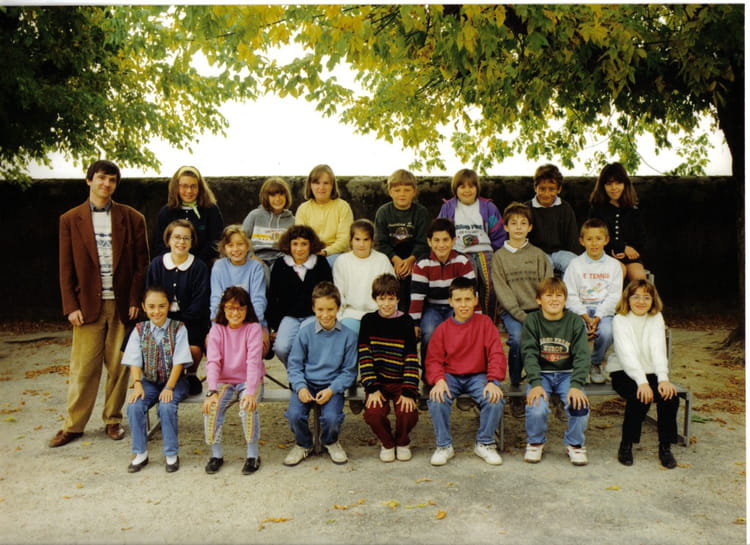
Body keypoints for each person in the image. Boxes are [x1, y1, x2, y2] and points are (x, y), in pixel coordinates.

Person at [52, 160, 150, 448]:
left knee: (120, 367)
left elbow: (141, 265)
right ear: (89, 180)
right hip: (87, 306)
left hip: (121, 304)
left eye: (112, 180)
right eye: (101, 178)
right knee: (83, 368)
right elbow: (65, 267)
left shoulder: (132, 218)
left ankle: (113, 420)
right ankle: (73, 425)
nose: (106, 184)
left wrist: (135, 299)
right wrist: (71, 306)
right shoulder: (70, 219)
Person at [425, 277, 506, 466]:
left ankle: (485, 442)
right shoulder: (443, 329)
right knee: (437, 398)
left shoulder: (485, 323)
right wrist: (439, 380)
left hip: (478, 375)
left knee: (494, 399)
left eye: (468, 299)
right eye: (458, 300)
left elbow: (496, 353)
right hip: (450, 376)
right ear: (451, 302)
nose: (463, 305)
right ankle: (444, 445)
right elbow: (433, 360)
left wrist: (493, 381)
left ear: (475, 300)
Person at [283, 282, 358, 466]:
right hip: (307, 383)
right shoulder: (305, 333)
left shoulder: (348, 336)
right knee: (294, 415)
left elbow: (349, 371)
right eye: (320, 309)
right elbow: (294, 365)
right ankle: (303, 443)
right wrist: (300, 387)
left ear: (338, 308)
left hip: (332, 385)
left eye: (330, 309)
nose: (325, 315)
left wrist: (333, 389)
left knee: (332, 418)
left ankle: (330, 441)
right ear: (313, 309)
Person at [491, 202, 552, 417]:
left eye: (523, 223)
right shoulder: (499, 257)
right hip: (513, 312)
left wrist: (544, 312)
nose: (518, 227)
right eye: (514, 223)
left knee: (549, 339)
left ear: (530, 227)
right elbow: (502, 290)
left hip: (539, 310)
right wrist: (520, 316)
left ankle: (546, 388)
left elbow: (547, 286)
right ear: (506, 227)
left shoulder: (538, 255)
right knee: (517, 340)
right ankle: (516, 388)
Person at [609, 279, 679, 469]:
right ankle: (626, 444)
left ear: (653, 300)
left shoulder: (656, 317)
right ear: (627, 299)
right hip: (623, 371)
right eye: (636, 297)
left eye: (646, 297)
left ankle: (665, 447)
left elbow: (658, 350)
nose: (641, 301)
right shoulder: (620, 319)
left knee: (670, 397)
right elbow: (627, 354)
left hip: (651, 371)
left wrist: (663, 379)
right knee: (640, 397)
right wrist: (642, 382)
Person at [521, 277, 591, 466]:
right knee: (537, 408)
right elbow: (529, 354)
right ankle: (535, 442)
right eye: (548, 295)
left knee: (579, 406)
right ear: (538, 299)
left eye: (559, 295)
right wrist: (535, 383)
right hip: (541, 374)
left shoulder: (574, 321)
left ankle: (574, 444)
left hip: (567, 374)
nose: (554, 300)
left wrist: (576, 385)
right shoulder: (532, 321)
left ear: (565, 299)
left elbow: (582, 356)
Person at [122, 286, 191, 473]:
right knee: (134, 405)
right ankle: (140, 453)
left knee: (166, 406)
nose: (156, 311)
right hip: (150, 381)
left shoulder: (179, 328)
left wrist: (169, 387)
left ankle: (171, 454)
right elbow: (134, 360)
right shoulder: (139, 329)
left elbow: (179, 362)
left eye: (162, 306)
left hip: (175, 382)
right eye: (151, 307)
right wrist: (137, 384)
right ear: (144, 307)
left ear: (169, 306)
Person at [203, 286, 266, 475]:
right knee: (212, 407)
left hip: (249, 380)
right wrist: (212, 391)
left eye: (240, 308)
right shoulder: (217, 329)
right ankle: (216, 455)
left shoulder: (253, 329)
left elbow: (253, 362)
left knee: (247, 407)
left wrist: (250, 392)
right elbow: (213, 361)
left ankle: (253, 456)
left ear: (247, 309)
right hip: (225, 382)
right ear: (223, 308)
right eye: (230, 308)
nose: (235, 313)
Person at [358, 274, 420, 462]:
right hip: (378, 382)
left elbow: (411, 357)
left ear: (398, 299)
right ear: (375, 299)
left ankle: (402, 441)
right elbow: (365, 356)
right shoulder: (368, 321)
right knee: (373, 413)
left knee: (408, 412)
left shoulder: (406, 321)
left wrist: (408, 390)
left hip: (400, 381)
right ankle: (387, 443)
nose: (386, 304)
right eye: (382, 298)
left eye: (391, 299)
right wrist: (372, 388)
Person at [146, 219, 210, 396]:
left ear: (192, 242)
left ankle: (190, 374)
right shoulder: (157, 264)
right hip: (162, 318)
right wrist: (163, 320)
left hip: (191, 319)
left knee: (193, 348)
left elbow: (200, 301)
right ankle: (159, 375)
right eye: (177, 237)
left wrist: (180, 323)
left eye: (186, 238)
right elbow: (151, 294)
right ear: (168, 240)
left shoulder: (199, 267)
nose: (181, 242)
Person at [438, 168, 505, 318]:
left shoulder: (488, 207)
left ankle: (489, 319)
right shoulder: (448, 207)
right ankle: (469, 318)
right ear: (455, 189)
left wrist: (498, 253)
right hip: (460, 251)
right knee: (468, 282)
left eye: (471, 186)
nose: (467, 190)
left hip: (485, 250)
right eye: (462, 186)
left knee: (491, 282)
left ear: (477, 188)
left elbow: (498, 233)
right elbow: (440, 230)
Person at [409, 218, 475, 369]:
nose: (441, 245)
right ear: (429, 242)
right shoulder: (422, 264)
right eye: (436, 240)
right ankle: (429, 372)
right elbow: (417, 297)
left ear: (453, 241)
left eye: (445, 240)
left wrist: (476, 317)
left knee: (459, 332)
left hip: (457, 308)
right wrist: (415, 323)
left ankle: (456, 371)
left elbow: (471, 293)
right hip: (432, 308)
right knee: (430, 332)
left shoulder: (462, 262)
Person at [563, 218, 624, 384]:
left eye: (598, 238)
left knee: (607, 331)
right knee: (577, 331)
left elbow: (614, 296)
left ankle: (595, 363)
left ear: (606, 240)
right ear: (582, 241)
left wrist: (598, 317)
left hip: (604, 312)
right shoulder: (575, 264)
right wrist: (584, 315)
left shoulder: (614, 265)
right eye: (589, 239)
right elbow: (570, 294)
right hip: (580, 311)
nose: (594, 243)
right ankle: (580, 366)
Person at [267, 225, 333, 365]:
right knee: (281, 347)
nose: (299, 248)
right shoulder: (280, 265)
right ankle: (295, 373)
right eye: (295, 244)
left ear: (311, 245)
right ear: (288, 245)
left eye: (304, 244)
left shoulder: (320, 263)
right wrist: (277, 327)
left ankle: (305, 375)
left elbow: (329, 294)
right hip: (289, 317)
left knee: (304, 345)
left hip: (314, 315)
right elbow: (272, 298)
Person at [374, 168, 430, 312]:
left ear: (414, 191)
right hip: (391, 257)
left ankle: (413, 313)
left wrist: (411, 260)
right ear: (390, 191)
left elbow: (423, 242)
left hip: (414, 256)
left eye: (407, 190)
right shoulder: (383, 212)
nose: (402, 194)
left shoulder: (421, 212)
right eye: (397, 190)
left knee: (413, 279)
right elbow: (381, 243)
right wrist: (396, 260)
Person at [209, 225, 269, 354]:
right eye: (230, 245)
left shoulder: (255, 267)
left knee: (260, 344)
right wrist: (224, 324)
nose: (236, 249)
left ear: (247, 246)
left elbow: (259, 301)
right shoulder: (219, 267)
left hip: (251, 322)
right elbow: (216, 300)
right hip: (225, 322)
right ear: (224, 248)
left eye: (240, 244)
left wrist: (245, 325)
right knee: (211, 342)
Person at [333, 219, 395, 335]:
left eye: (366, 240)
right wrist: (339, 319)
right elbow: (339, 294)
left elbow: (391, 291)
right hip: (351, 314)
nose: (361, 244)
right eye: (357, 239)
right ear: (351, 240)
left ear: (372, 241)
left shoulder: (382, 260)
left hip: (378, 314)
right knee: (347, 336)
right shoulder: (342, 261)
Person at [588, 162, 648, 282]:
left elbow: (641, 239)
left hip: (630, 256)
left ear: (625, 184)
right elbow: (595, 236)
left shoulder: (633, 210)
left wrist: (629, 251)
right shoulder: (597, 210)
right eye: (609, 184)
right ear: (603, 186)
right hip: (605, 255)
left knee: (639, 277)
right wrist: (620, 247)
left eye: (618, 183)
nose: (614, 188)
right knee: (619, 270)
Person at [155, 165, 224, 266]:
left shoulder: (210, 209)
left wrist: (195, 262)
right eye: (184, 186)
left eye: (193, 186)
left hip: (203, 264)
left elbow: (216, 241)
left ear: (200, 187)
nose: (189, 191)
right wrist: (178, 261)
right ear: (176, 187)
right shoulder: (166, 212)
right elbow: (160, 244)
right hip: (173, 265)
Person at [525, 163, 581, 275]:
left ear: (559, 189)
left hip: (560, 253)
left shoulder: (565, 208)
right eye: (542, 189)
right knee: (546, 265)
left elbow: (572, 237)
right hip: (537, 253)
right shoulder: (527, 209)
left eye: (551, 189)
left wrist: (576, 257)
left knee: (574, 263)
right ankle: (547, 287)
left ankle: (567, 287)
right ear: (535, 188)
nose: (546, 194)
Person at [295, 164, 354, 266]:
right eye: (317, 183)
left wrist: (326, 252)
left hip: (336, 254)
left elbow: (345, 239)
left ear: (332, 185)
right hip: (309, 253)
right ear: (310, 185)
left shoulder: (343, 207)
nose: (321, 187)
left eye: (326, 183)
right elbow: (300, 238)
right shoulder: (303, 209)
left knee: (325, 264)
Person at [241, 176, 295, 269]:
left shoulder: (293, 221)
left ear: (286, 196)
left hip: (281, 261)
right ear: (266, 197)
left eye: (281, 194)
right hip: (258, 259)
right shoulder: (254, 215)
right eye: (273, 195)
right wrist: (251, 256)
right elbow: (242, 239)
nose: (277, 199)